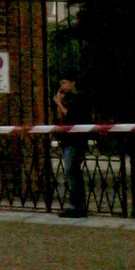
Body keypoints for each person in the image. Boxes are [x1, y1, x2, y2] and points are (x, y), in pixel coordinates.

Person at [54, 76, 87, 218]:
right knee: (71, 172)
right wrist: (59, 104)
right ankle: (77, 204)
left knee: (72, 171)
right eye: (61, 83)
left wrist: (59, 103)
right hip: (67, 140)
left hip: (77, 140)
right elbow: (61, 119)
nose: (62, 86)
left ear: (72, 83)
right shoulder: (67, 99)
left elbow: (72, 117)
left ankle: (76, 206)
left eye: (64, 83)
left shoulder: (79, 98)